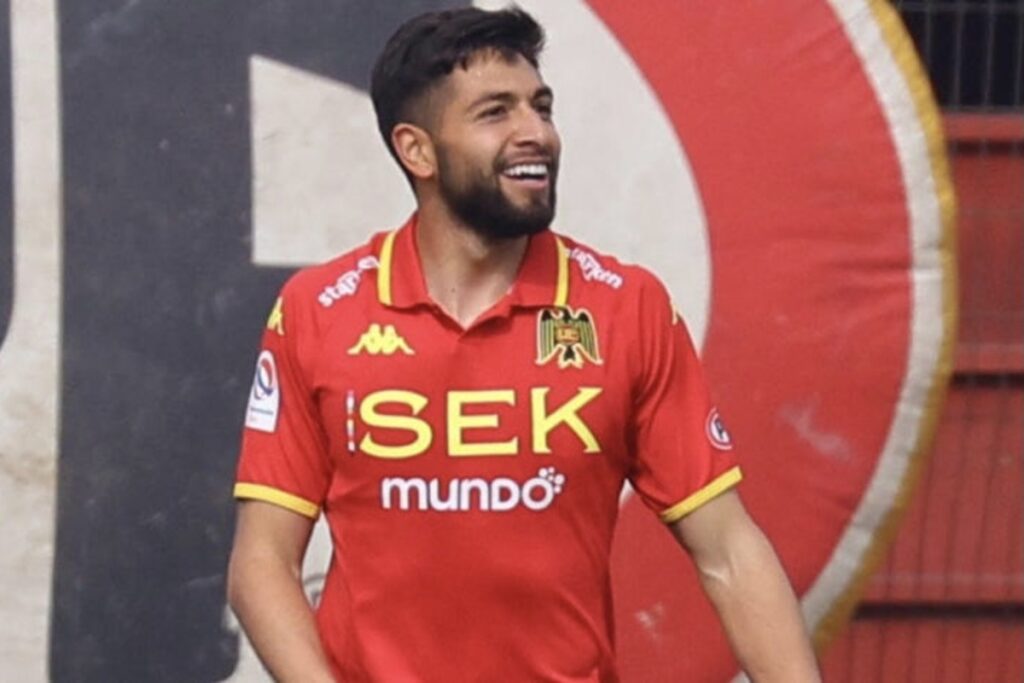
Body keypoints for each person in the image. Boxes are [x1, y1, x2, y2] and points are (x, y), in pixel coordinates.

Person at [227, 7, 820, 682]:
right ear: (416, 149)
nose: (534, 133)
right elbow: (260, 563)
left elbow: (730, 552)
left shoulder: (628, 309)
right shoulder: (318, 311)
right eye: (495, 113)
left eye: (541, 107)